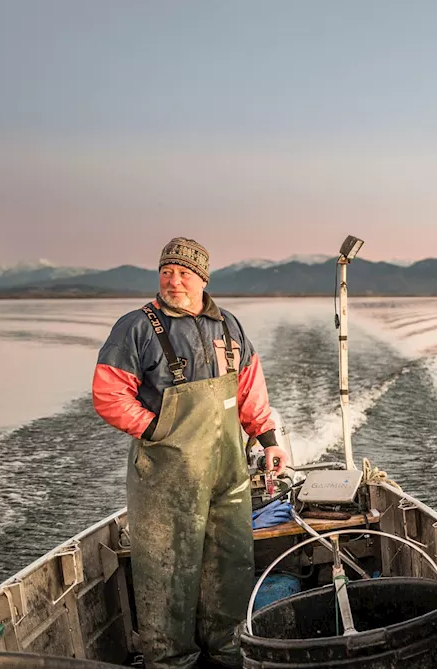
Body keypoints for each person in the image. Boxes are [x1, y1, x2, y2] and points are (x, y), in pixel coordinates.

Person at [92, 237, 288, 669]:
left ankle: (227, 652)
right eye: (166, 272)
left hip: (227, 472)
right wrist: (157, 430)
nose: (173, 281)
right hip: (167, 474)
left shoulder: (230, 327)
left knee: (231, 562)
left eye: (183, 273)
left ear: (203, 278)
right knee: (167, 571)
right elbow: (108, 394)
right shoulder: (136, 327)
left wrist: (269, 439)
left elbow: (249, 391)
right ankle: (171, 661)